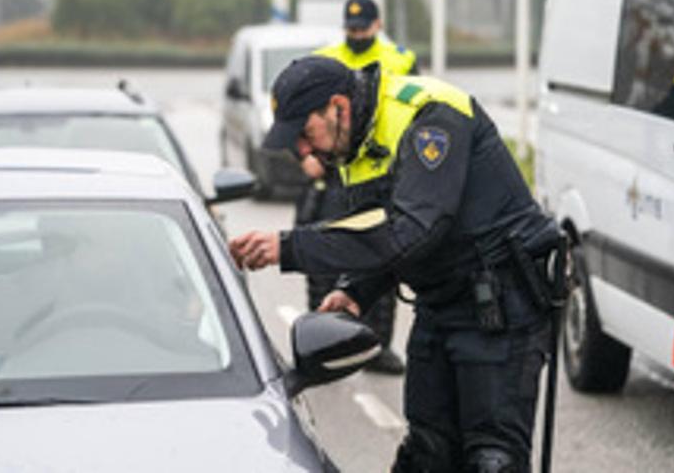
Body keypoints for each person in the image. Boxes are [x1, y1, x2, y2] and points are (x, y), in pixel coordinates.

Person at [230, 57, 562, 472]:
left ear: (338, 106)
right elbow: (379, 227)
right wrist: (356, 290)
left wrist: (290, 247)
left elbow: (414, 231)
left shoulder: (431, 117)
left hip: (500, 308)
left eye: (304, 132)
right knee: (428, 452)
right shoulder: (352, 143)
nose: (303, 149)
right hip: (440, 303)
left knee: (492, 459)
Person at [297, 0, 415, 375]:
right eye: (350, 28)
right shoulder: (326, 57)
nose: (356, 34)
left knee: (379, 253)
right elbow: (294, 114)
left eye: (362, 28)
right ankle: (323, 343)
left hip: (381, 173)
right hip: (334, 176)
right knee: (324, 255)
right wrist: (306, 157)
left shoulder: (402, 59)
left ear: (377, 25)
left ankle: (377, 345)